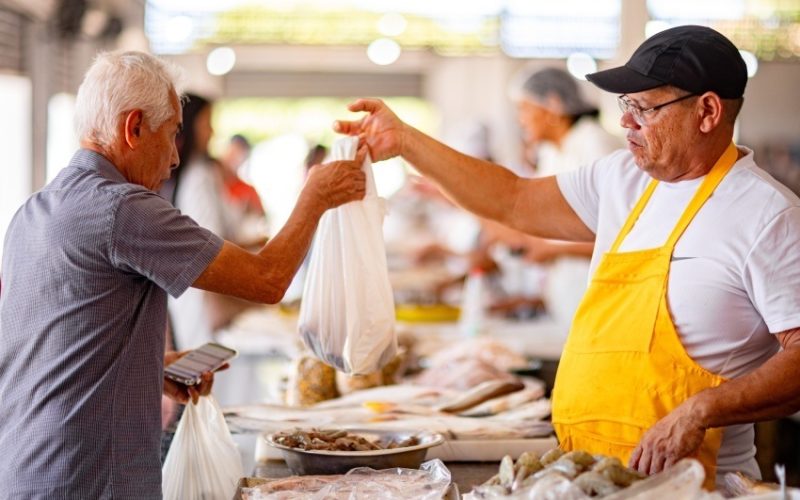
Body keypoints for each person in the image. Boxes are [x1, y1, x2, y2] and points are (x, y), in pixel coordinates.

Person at [335, 25, 800, 486]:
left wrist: (702, 410)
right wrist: (406, 141)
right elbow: (510, 199)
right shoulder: (622, 180)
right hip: (585, 478)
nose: (625, 121)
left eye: (644, 107)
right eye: (626, 105)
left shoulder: (766, 214)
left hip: (693, 488)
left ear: (708, 111)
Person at [0, 50, 365, 498]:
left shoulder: (32, 212)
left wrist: (146, 368)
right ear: (133, 128)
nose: (175, 157)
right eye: (171, 134)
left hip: (27, 468)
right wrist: (315, 195)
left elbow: (44, 347)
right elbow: (268, 279)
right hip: (89, 477)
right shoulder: (124, 208)